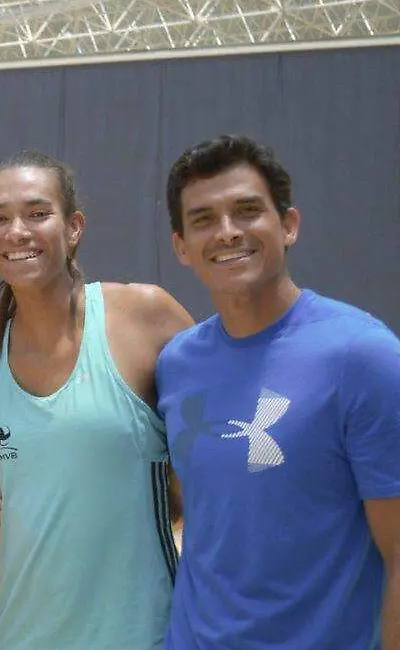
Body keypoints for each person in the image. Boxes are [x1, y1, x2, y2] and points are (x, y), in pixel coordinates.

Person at [155, 134, 400, 649]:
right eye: (203, 219)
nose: (227, 232)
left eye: (247, 211)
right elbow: (199, 499)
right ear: (181, 246)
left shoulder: (362, 355)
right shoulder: (177, 364)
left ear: (288, 225)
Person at [0, 150, 192, 649]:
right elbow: (11, 486)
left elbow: (217, 460)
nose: (17, 231)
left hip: (144, 635)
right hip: (23, 636)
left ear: (73, 227)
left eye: (37, 213)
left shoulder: (144, 316)